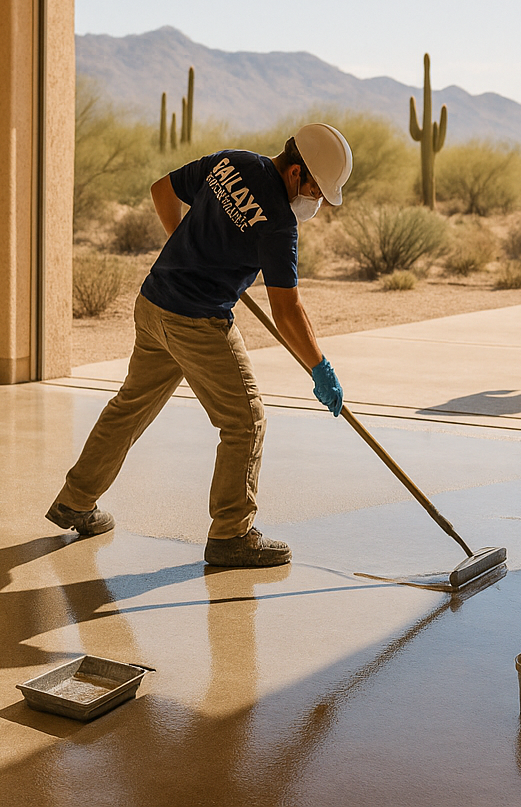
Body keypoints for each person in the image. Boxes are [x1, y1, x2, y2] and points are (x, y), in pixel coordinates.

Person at [47, 123, 353, 568]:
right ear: (295, 174)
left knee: (129, 407)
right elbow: (288, 311)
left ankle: (76, 500)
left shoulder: (232, 161)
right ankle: (233, 534)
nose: (319, 203)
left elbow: (161, 190)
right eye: (319, 191)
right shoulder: (280, 225)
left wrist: (189, 250)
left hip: (154, 304)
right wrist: (319, 368)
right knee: (246, 422)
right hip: (197, 321)